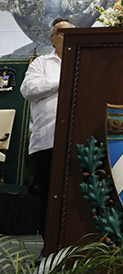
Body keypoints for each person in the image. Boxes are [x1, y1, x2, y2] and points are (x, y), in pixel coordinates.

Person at [20, 18, 74, 239]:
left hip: (78, 141)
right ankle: (48, 246)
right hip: (47, 141)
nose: (68, 36)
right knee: (49, 195)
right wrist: (63, 80)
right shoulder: (41, 64)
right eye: (62, 33)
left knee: (74, 197)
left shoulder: (84, 62)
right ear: (52, 40)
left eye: (72, 32)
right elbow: (28, 89)